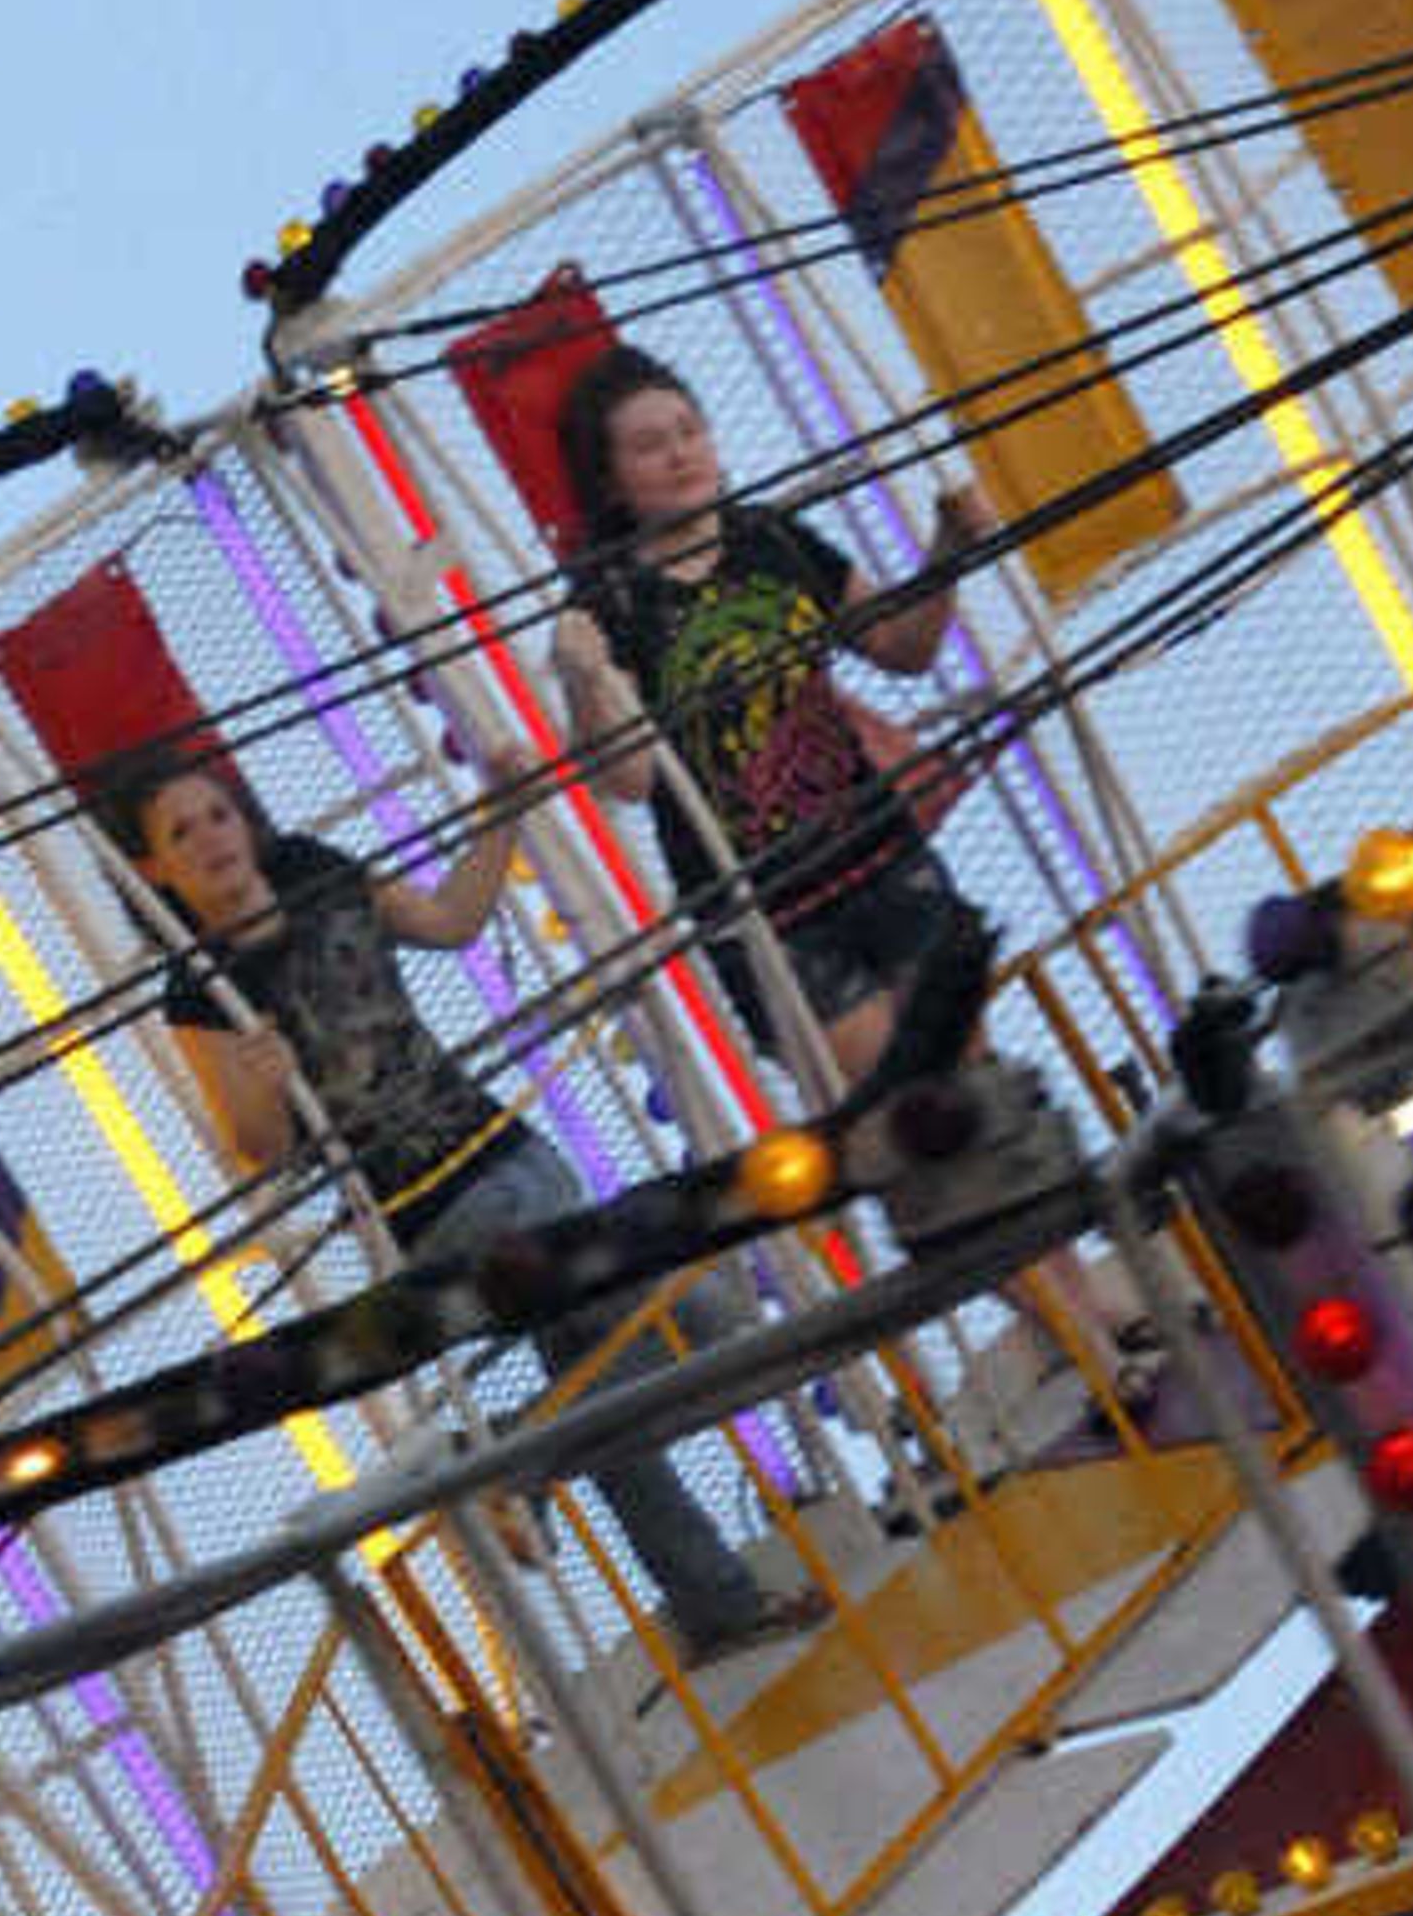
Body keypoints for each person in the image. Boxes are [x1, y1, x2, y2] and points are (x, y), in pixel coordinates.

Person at [105, 736, 813, 1669]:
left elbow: (447, 921)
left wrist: (502, 812)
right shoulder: (199, 995)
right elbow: (260, 1149)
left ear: (246, 821)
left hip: (512, 1148)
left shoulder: (319, 871)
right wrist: (268, 1082)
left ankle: (703, 1596)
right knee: (705, 1315)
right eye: (180, 833)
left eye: (217, 815)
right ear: (156, 868)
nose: (209, 841)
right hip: (435, 1211)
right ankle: (523, 1463)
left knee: (602, 1402)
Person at [545, 350, 1161, 1420]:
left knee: (975, 1090)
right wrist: (581, 681)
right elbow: (629, 779)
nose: (681, 453)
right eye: (650, 444)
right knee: (909, 1120)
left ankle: (1084, 1308)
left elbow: (903, 646)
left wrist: (950, 548)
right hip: (769, 911)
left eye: (687, 427)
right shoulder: (613, 606)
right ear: (614, 482)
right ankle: (1086, 1332)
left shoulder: (773, 538)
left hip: (877, 851)